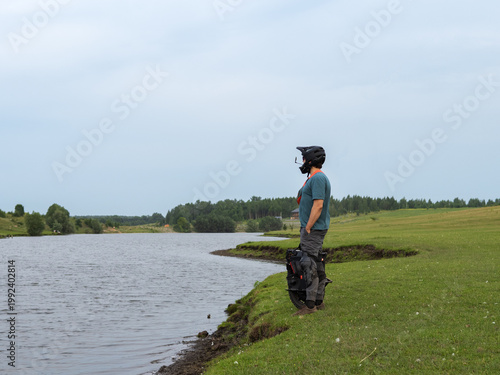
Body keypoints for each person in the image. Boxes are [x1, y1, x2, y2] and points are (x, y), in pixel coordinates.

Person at [293, 146, 331, 316]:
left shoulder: (318, 179)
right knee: (316, 262)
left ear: (310, 160)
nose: (301, 162)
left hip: (313, 229)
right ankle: (319, 301)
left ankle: (310, 306)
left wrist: (308, 226)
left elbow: (319, 204)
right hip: (313, 228)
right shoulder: (314, 178)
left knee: (309, 265)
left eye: (303, 158)